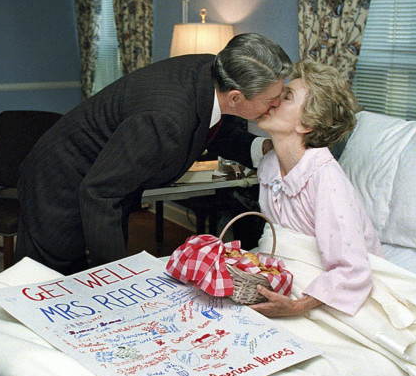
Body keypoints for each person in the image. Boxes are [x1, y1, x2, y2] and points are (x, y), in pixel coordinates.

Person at [16, 33, 294, 275]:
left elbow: (212, 128)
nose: (276, 106)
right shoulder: (165, 119)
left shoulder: (215, 77)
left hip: (102, 182)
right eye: (271, 100)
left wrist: (261, 148)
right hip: (59, 181)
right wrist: (115, 278)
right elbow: (100, 193)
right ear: (235, 96)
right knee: (50, 280)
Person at [249, 59, 382, 318]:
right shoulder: (269, 164)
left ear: (306, 124)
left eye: (286, 97)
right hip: (288, 271)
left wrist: (296, 307)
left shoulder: (326, 177)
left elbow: (352, 269)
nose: (273, 100)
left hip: (333, 287)